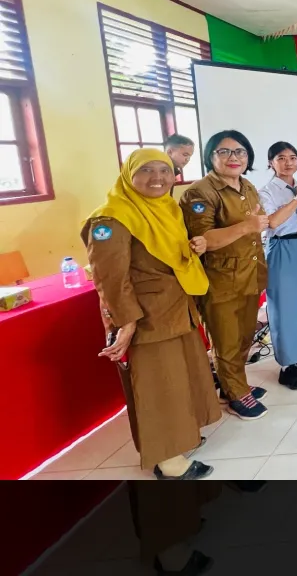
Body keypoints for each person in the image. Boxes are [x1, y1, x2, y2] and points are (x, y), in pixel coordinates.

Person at [85, 148, 220, 478]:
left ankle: (181, 437)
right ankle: (168, 461)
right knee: (159, 387)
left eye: (164, 170)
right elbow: (109, 278)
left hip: (177, 308)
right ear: (128, 173)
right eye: (147, 170)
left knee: (181, 379)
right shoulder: (111, 218)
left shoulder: (165, 209)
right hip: (148, 317)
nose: (157, 178)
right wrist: (126, 321)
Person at [181, 130, 270, 421]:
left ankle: (234, 384)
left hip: (249, 274)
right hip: (220, 281)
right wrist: (246, 226)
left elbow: (261, 222)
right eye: (225, 152)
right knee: (226, 340)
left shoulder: (248, 187)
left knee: (245, 336)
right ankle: (235, 393)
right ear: (211, 156)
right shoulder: (200, 193)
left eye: (240, 152)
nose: (234, 158)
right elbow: (203, 239)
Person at [258, 142, 297, 391]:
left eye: (293, 157)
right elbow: (273, 222)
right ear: (270, 163)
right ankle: (287, 366)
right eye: (281, 158)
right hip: (283, 248)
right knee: (285, 306)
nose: (288, 162)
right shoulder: (267, 191)